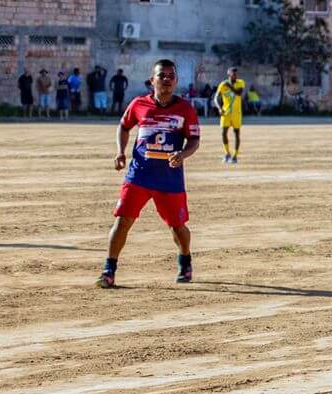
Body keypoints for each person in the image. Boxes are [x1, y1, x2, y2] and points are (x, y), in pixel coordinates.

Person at [97, 59, 200, 288]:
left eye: (171, 76)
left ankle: (185, 260)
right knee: (123, 220)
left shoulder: (185, 109)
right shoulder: (139, 104)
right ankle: (108, 270)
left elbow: (194, 139)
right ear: (152, 80)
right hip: (139, 175)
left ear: (176, 81)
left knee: (177, 227)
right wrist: (120, 151)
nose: (166, 80)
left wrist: (183, 154)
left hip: (169, 179)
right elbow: (124, 126)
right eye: (161, 75)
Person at [213, 67, 246, 164]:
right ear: (229, 74)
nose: (235, 76)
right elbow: (216, 97)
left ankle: (235, 156)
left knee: (236, 134)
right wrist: (219, 108)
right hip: (226, 112)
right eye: (233, 74)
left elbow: (239, 93)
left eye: (236, 74)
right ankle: (227, 153)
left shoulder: (240, 82)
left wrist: (230, 86)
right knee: (223, 133)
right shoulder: (223, 84)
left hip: (236, 113)